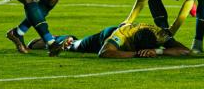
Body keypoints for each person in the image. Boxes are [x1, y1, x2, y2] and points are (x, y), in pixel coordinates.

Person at [27, 23, 191, 58]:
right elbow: (104, 53)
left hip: (136, 41)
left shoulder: (158, 34)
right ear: (133, 42)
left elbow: (185, 50)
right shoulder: (123, 35)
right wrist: (136, 54)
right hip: (106, 36)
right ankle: (56, 39)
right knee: (75, 45)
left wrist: (158, 51)